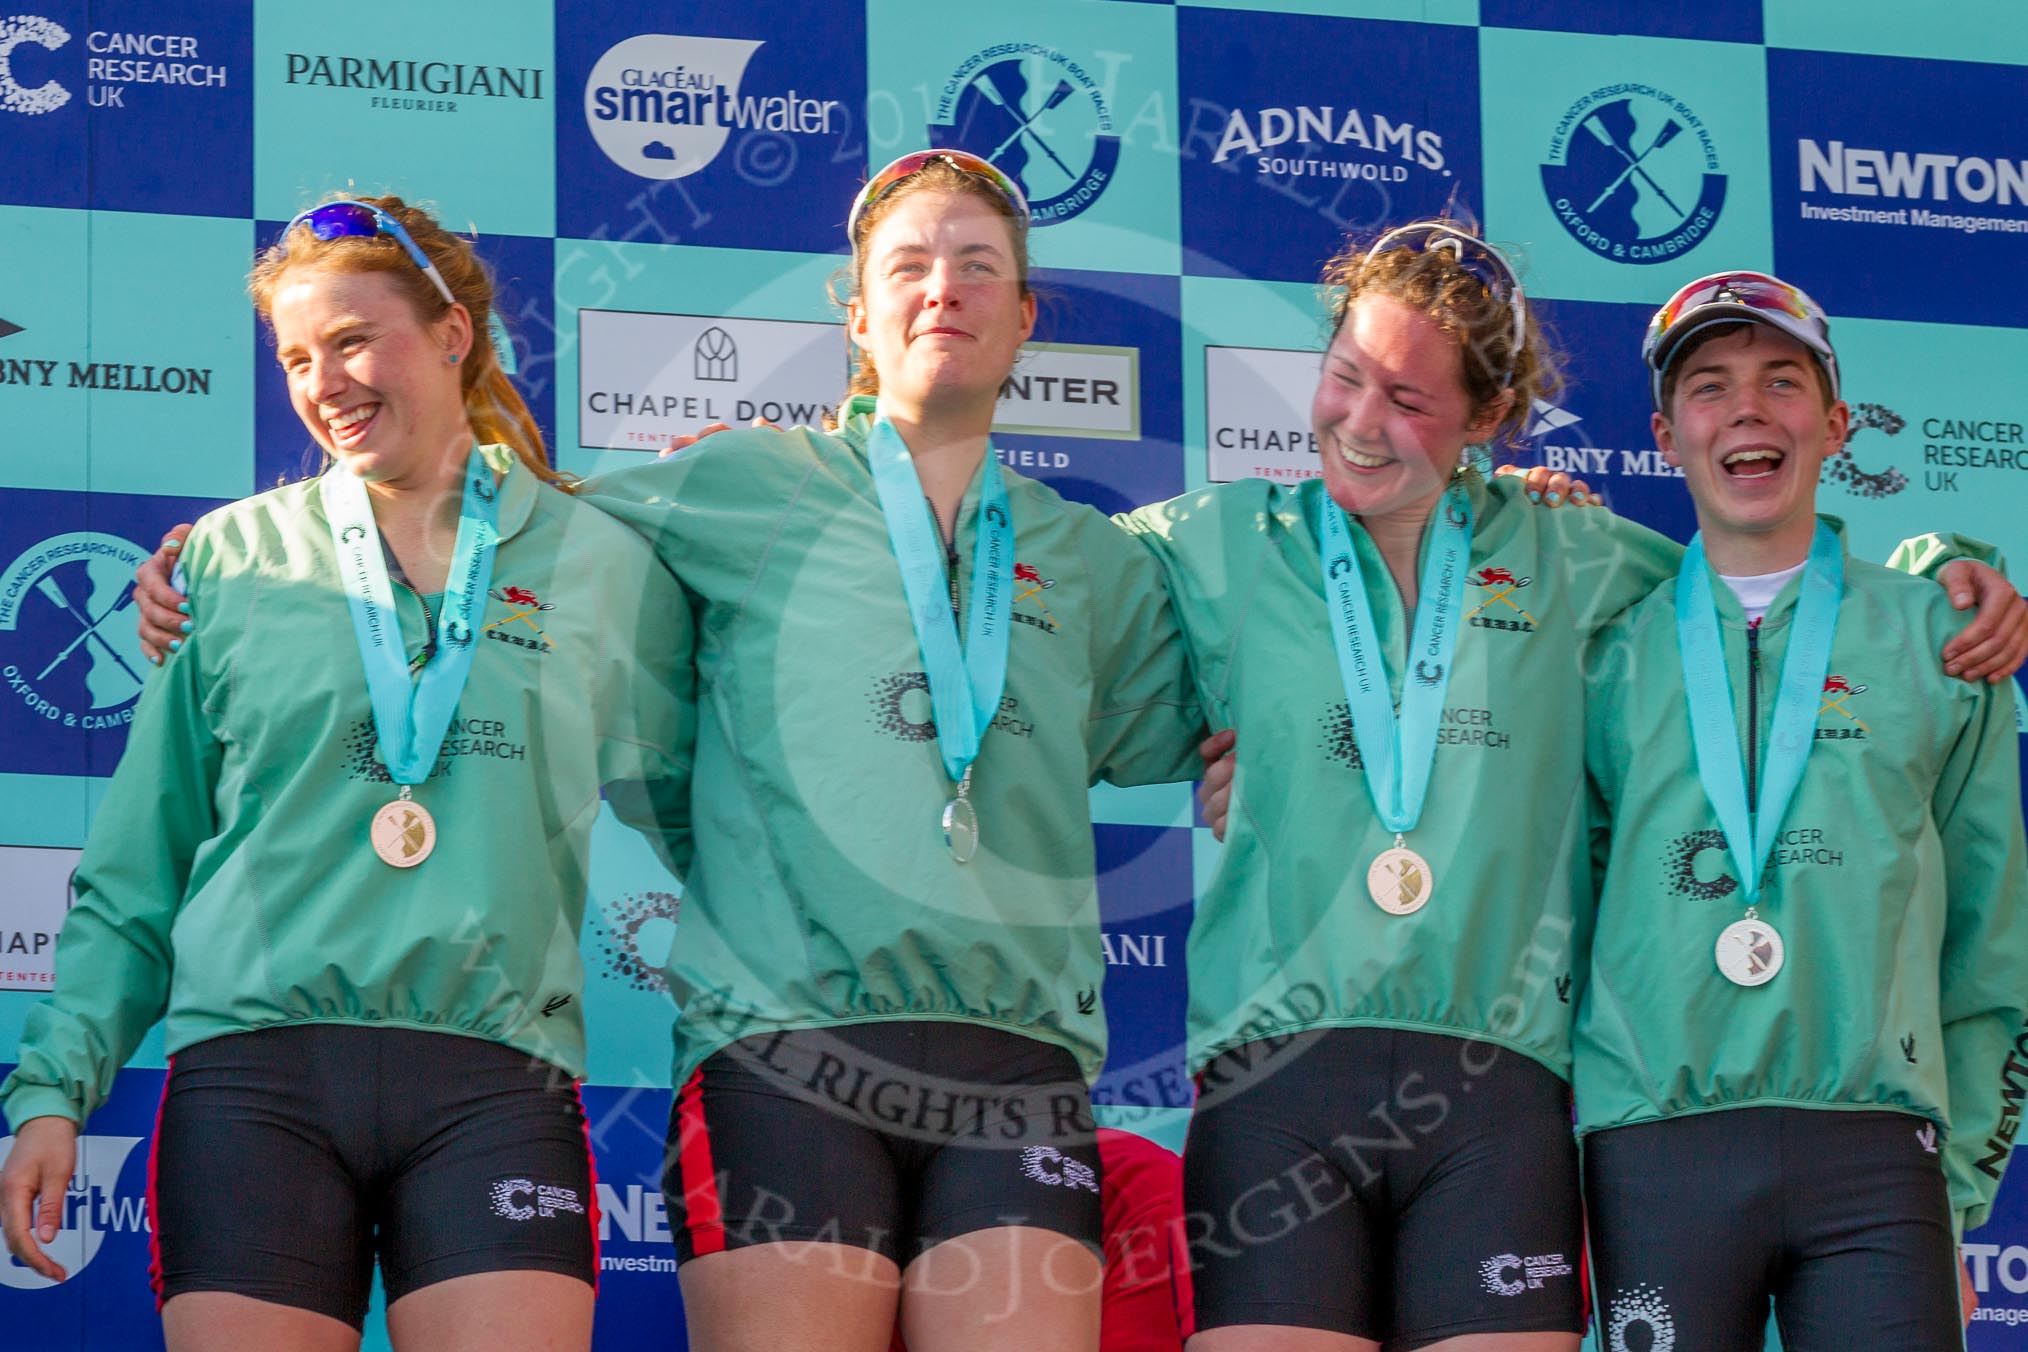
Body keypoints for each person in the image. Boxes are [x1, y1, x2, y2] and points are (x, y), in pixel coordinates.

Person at [1126, 223, 2026, 1352]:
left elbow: (1771, 598)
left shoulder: (1601, 566)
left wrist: (1946, 564)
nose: (1362, 420)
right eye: (1347, 378)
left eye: (1408, 396)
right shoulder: (1231, 541)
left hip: (1553, 1107)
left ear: (1488, 418)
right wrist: (1273, 762)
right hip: (1350, 1090)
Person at [0, 196, 693, 1352]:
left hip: (497, 1080)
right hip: (255, 1081)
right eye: (296, 357)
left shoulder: (605, 561)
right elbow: (139, 865)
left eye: (356, 340)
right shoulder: (226, 559)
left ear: (454, 335)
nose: (326, 382)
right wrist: (52, 1090)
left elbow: (715, 808)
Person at [1576, 271, 2028, 1350]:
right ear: (1663, 433)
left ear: (1834, 424)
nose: (1746, 408)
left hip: (1879, 1151)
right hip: (1653, 1143)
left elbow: (1991, 933)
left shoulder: (1943, 639)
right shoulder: (1603, 654)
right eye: (1709, 385)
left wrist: (1957, 1188)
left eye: (1783, 380)